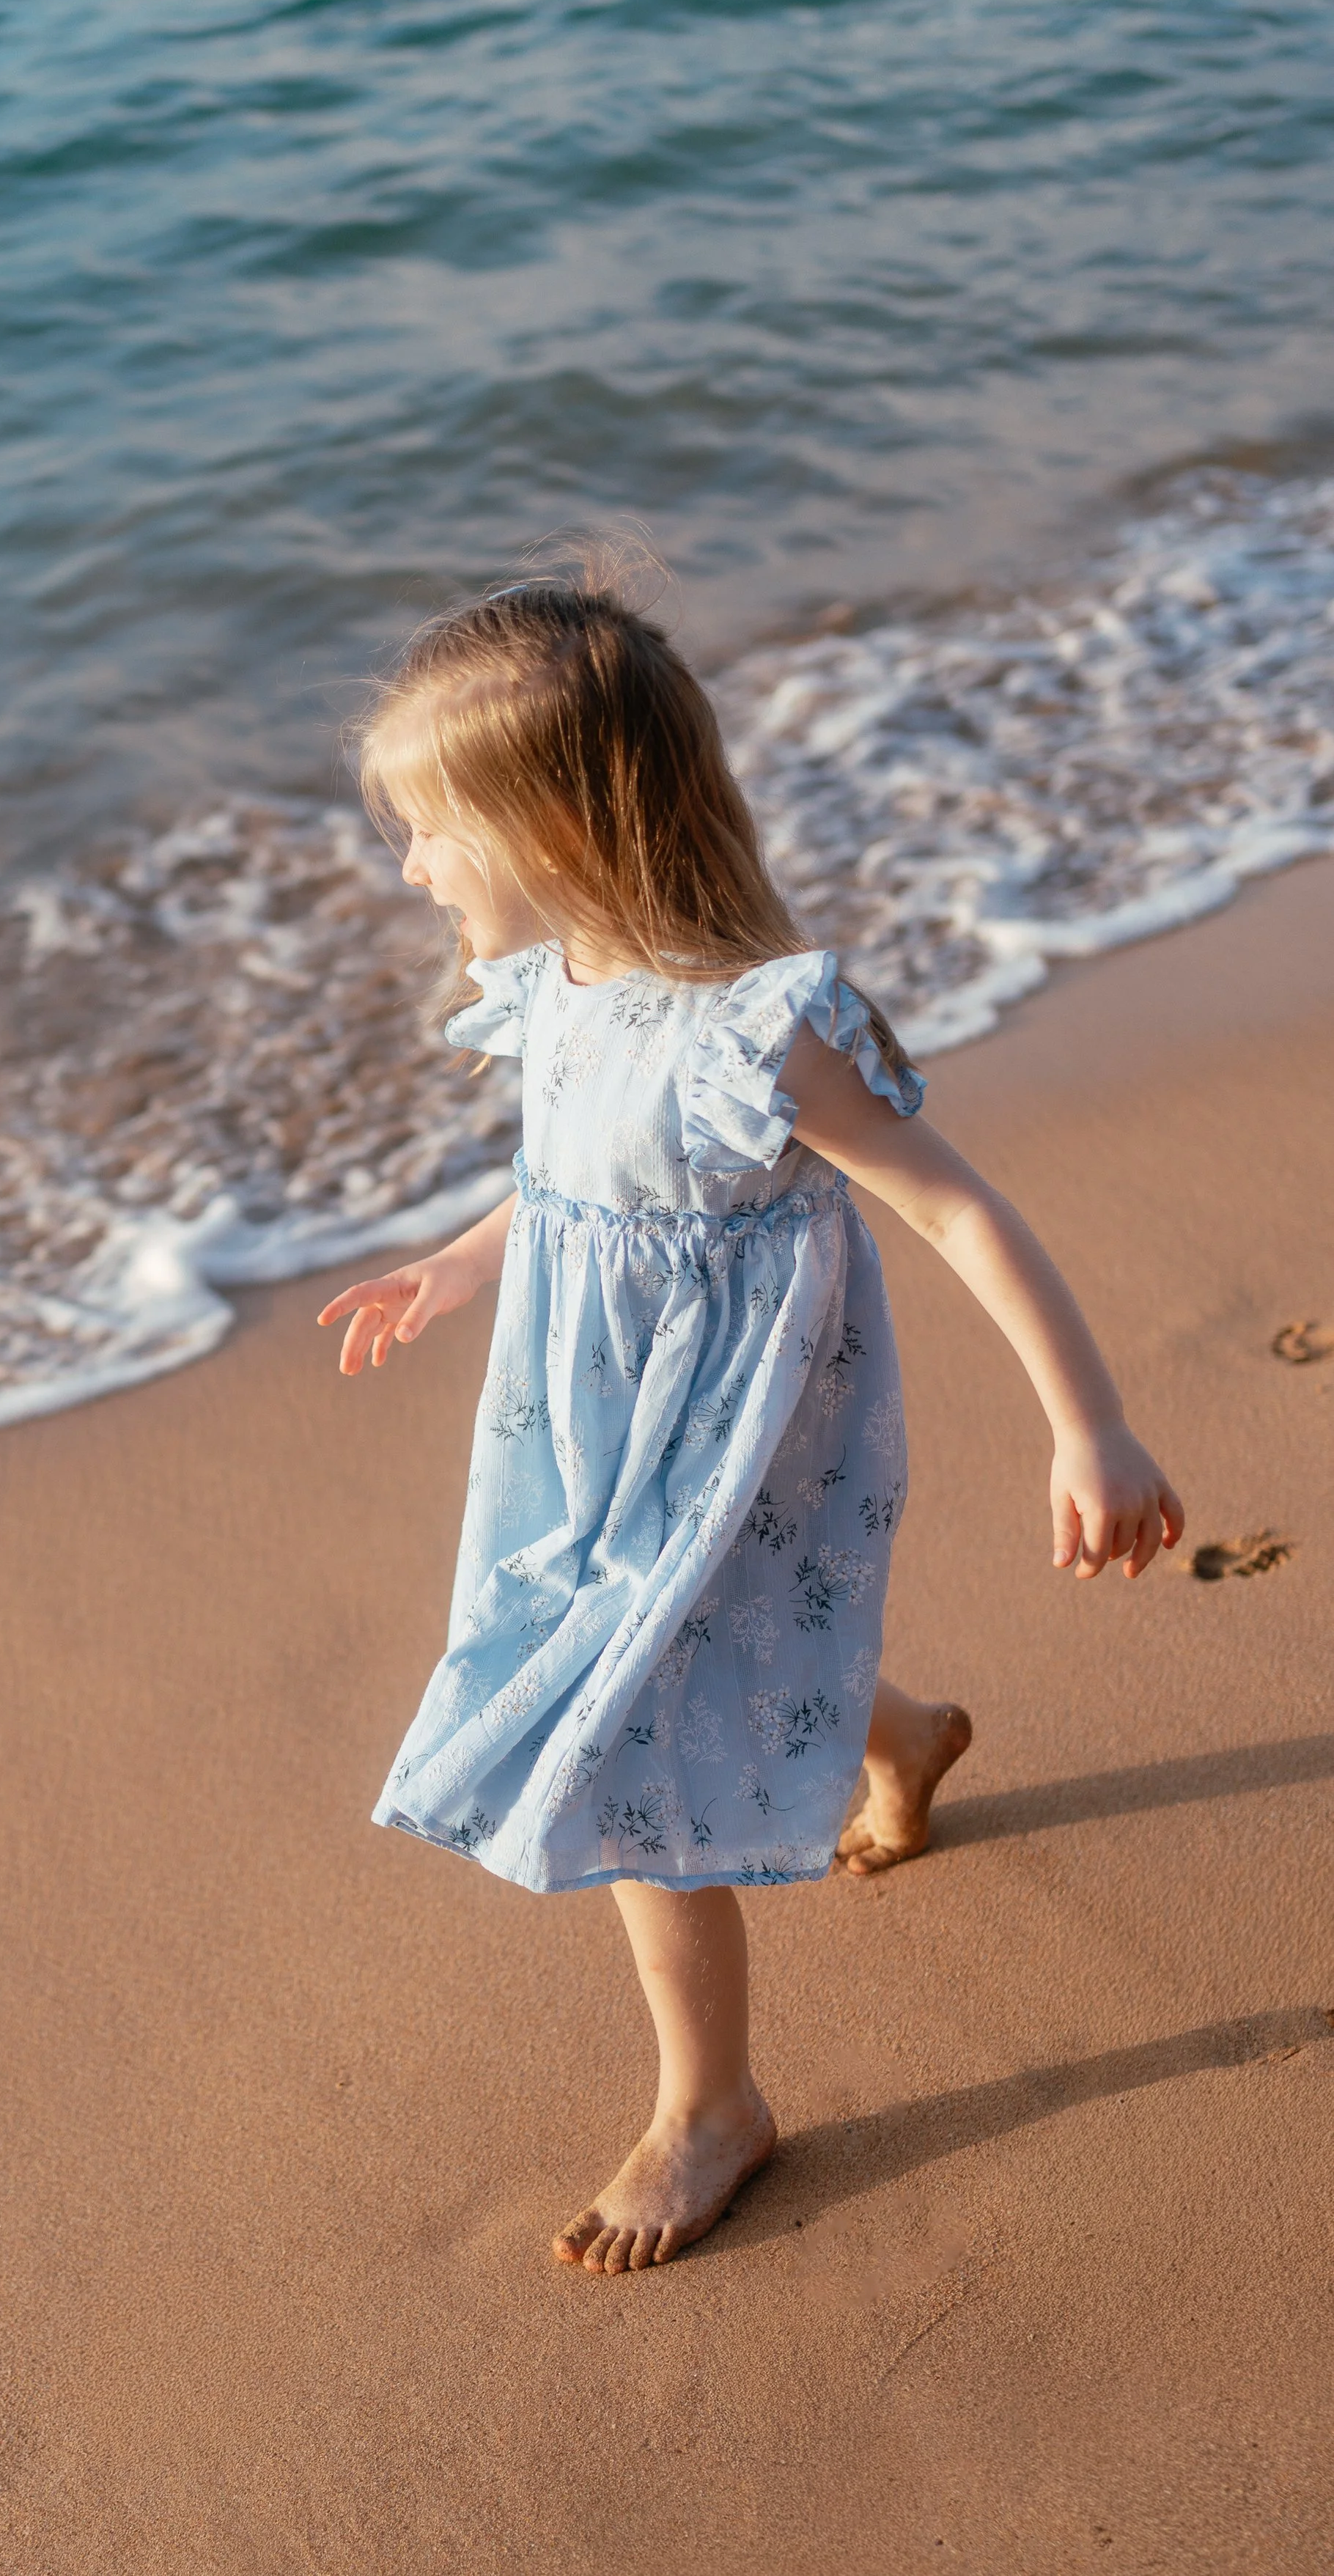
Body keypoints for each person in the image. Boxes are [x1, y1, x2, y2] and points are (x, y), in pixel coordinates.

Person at [318, 575, 1184, 2275]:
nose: (409, 867)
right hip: (587, 1430)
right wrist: (455, 1264)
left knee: (629, 1733)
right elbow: (563, 1178)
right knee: (691, 1642)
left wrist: (1087, 1423)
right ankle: (901, 1734)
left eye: (427, 832)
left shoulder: (755, 1034)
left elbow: (954, 1208)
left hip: (728, 1426)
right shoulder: (558, 983)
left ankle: (708, 2103)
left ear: (551, 827)